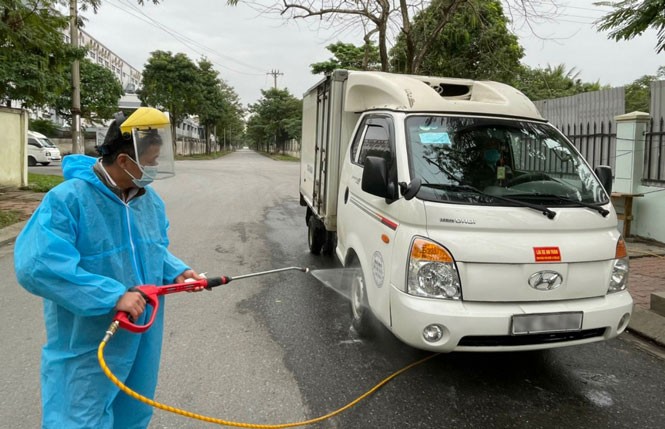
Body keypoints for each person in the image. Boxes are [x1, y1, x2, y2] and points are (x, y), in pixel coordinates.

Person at [14, 107, 202, 429]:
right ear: (125, 162)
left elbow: (153, 248)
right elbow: (38, 265)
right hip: (89, 340)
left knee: (133, 410)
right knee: (79, 416)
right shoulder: (68, 200)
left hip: (142, 333)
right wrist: (113, 295)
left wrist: (177, 271)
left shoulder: (148, 201)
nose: (154, 169)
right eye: (151, 161)